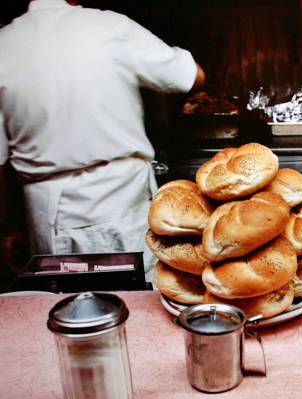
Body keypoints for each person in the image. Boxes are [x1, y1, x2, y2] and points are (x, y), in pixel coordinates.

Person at [0, 0, 205, 279]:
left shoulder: (5, 43)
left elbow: (1, 163)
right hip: (120, 201)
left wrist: (9, 227)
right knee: (136, 305)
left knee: (64, 310)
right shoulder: (109, 26)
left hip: (45, 213)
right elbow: (193, 77)